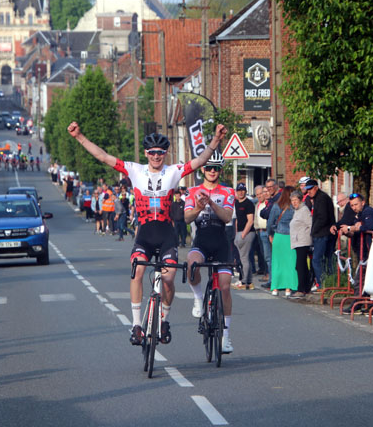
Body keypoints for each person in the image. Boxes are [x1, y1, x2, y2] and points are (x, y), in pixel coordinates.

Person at [68, 121, 227, 347]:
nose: (156, 156)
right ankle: (135, 325)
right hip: (144, 234)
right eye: (152, 153)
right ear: (146, 153)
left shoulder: (173, 172)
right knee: (138, 271)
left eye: (160, 153)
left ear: (165, 154)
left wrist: (216, 141)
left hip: (166, 236)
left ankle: (164, 319)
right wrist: (80, 137)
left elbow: (201, 161)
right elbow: (103, 156)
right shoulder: (134, 170)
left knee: (169, 280)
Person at [185, 151, 236, 353]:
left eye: (216, 168)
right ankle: (198, 298)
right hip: (202, 240)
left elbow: (227, 217)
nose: (212, 171)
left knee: (224, 287)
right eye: (208, 168)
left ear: (220, 171)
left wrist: (212, 203)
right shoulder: (192, 190)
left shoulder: (228, 192)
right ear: (203, 170)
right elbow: (187, 218)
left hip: (221, 241)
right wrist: (198, 207)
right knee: (191, 264)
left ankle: (225, 337)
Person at [267, 186, 298, 297]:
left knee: (277, 263)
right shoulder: (295, 208)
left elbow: (270, 222)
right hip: (291, 238)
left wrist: (270, 234)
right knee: (290, 264)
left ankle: (275, 288)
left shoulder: (276, 206)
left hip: (278, 236)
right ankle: (288, 288)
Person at [305, 179, 336, 291]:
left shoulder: (321, 199)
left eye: (310, 189)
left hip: (322, 233)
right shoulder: (319, 198)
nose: (308, 192)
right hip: (323, 233)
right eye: (307, 190)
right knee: (324, 259)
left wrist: (313, 231)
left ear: (316, 188)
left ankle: (322, 284)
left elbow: (322, 218)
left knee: (317, 259)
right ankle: (327, 283)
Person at [289, 190, 312, 298]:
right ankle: (304, 288)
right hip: (298, 242)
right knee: (300, 265)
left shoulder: (304, 210)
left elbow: (310, 224)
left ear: (300, 200)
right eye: (292, 200)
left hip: (303, 241)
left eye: (295, 200)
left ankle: (302, 289)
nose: (294, 202)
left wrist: (308, 238)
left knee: (300, 266)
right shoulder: (297, 211)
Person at [233, 183, 256, 290]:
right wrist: (237, 232)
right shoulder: (237, 203)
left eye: (243, 190)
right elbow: (238, 219)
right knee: (243, 258)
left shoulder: (249, 204)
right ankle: (249, 281)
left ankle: (244, 281)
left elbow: (250, 221)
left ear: (245, 191)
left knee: (244, 258)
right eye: (239, 190)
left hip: (248, 232)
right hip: (239, 232)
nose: (241, 192)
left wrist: (243, 234)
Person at [254, 185, 272, 285]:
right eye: (258, 194)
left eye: (261, 193)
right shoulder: (258, 204)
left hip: (268, 231)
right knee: (265, 255)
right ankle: (267, 274)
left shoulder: (269, 204)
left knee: (269, 257)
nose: (260, 195)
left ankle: (270, 278)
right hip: (260, 231)